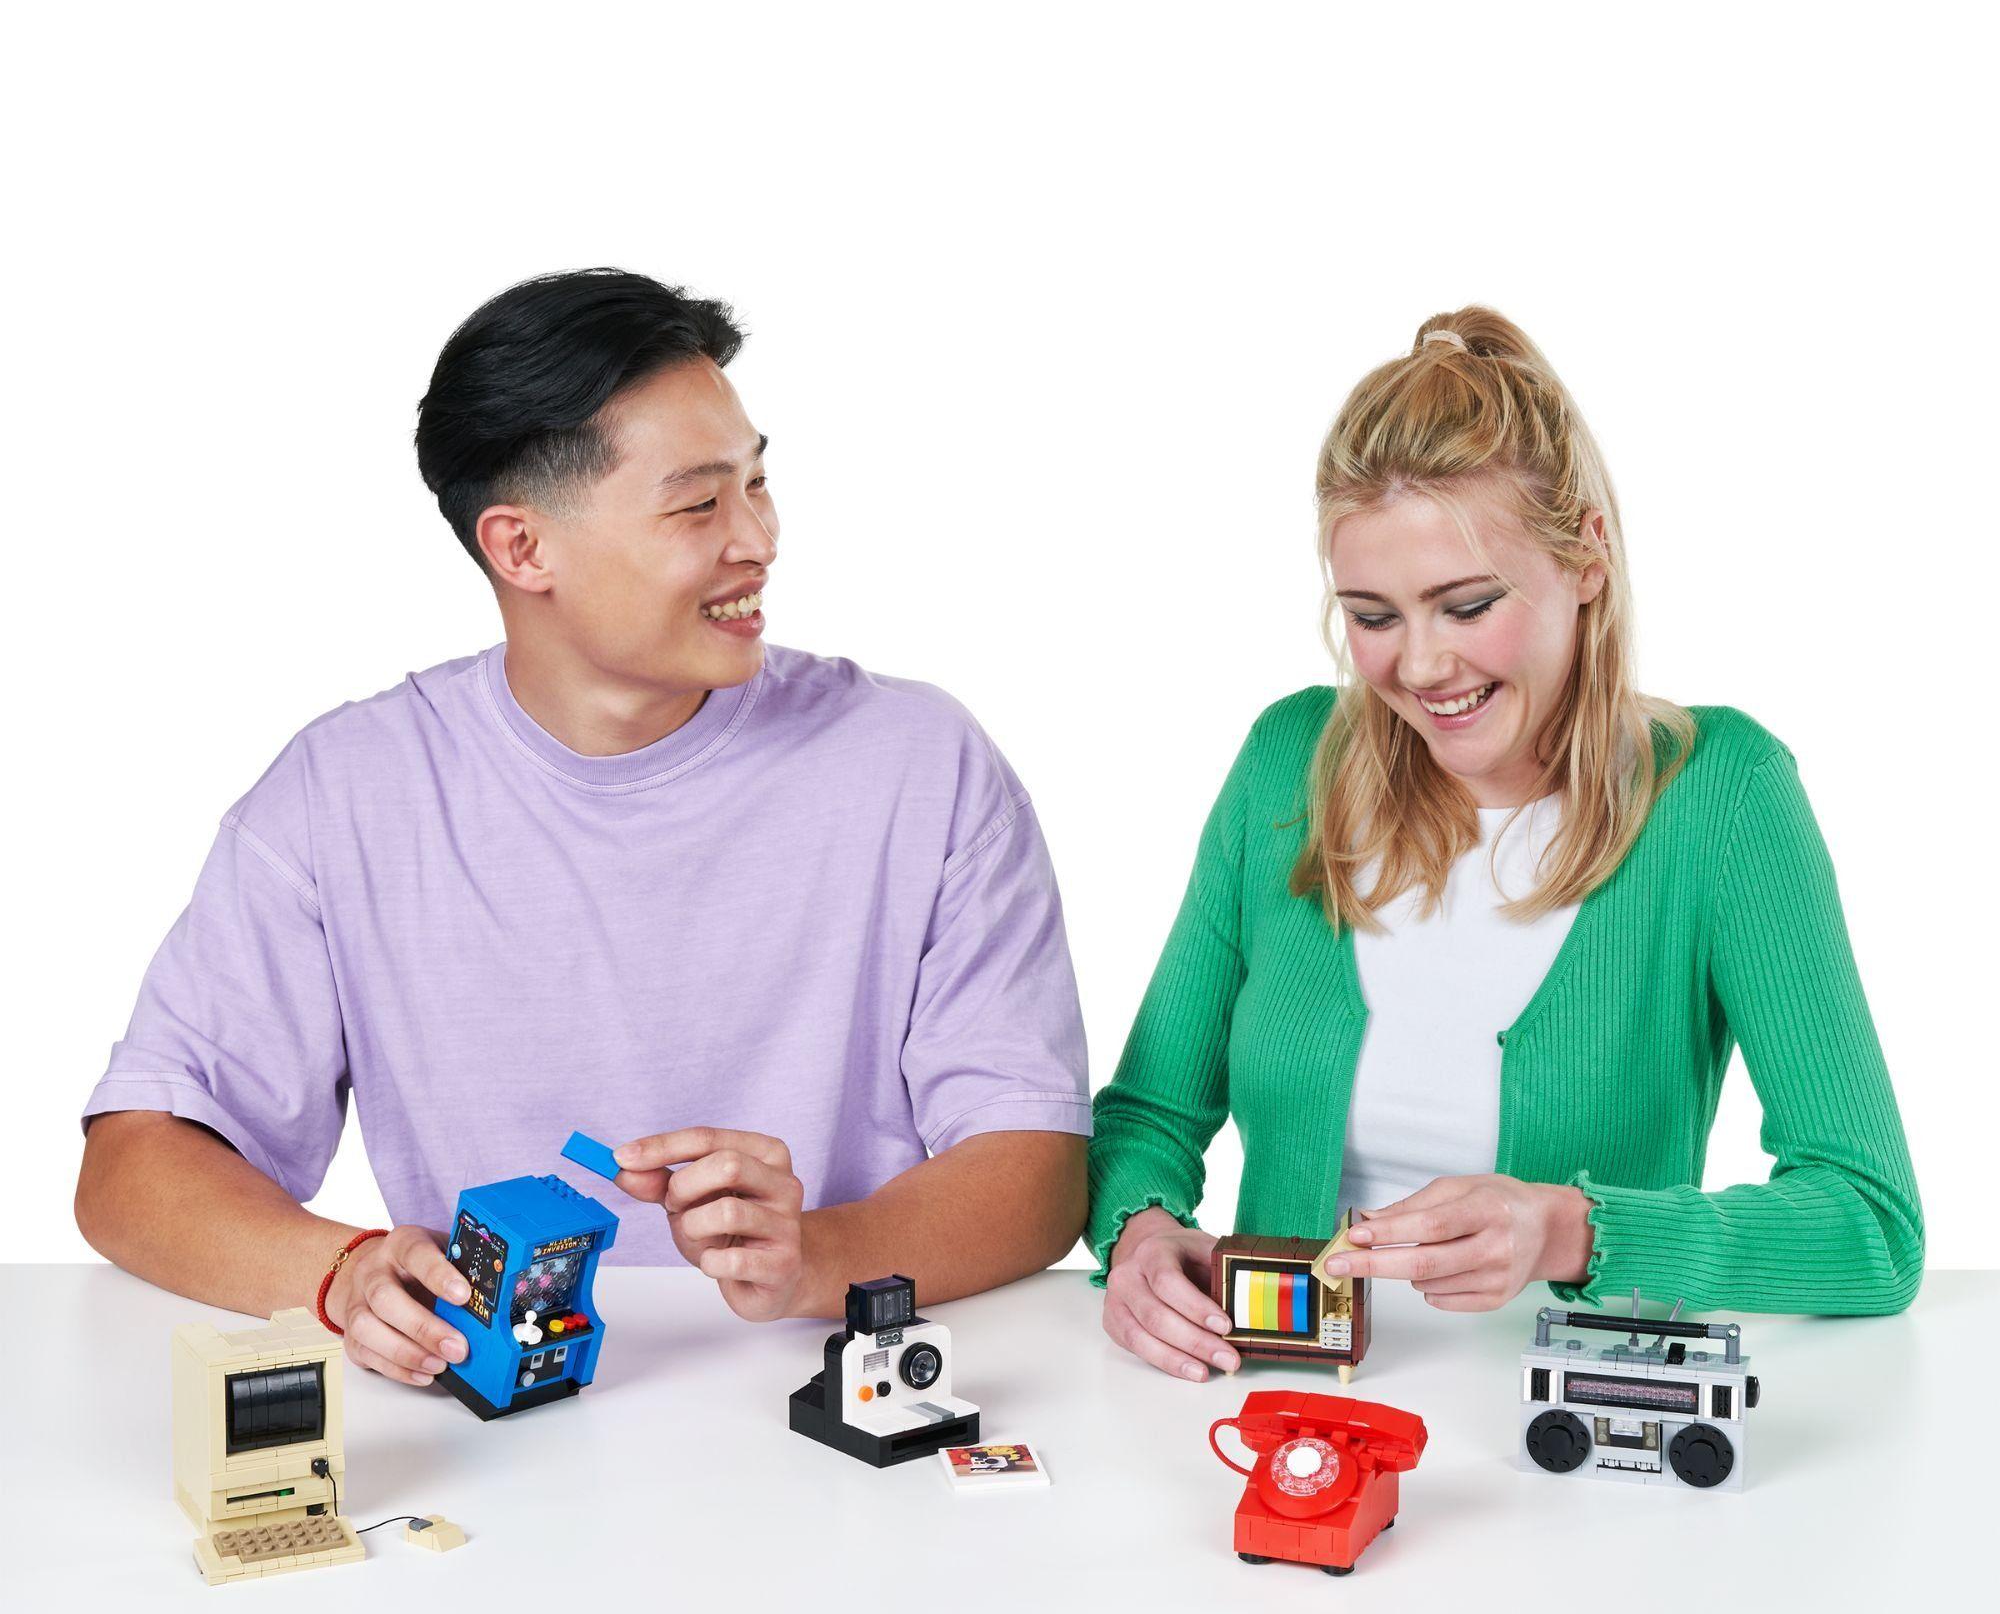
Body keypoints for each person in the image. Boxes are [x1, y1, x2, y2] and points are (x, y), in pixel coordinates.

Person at [76, 269, 1090, 1386]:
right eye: (698, 505)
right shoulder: (342, 796)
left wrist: (820, 1255)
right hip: (493, 1421)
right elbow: (134, 1165)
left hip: (831, 1390)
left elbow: (1037, 1165)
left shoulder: (920, 762)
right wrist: (345, 1271)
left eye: (757, 483)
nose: (758, 539)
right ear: (521, 549)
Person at [1091, 307, 1921, 1382]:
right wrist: (1140, 1232)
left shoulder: (1721, 795)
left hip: (1562, 1432)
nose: (1420, 666)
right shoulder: (1286, 763)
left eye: (1467, 604)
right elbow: (1147, 1120)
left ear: (1587, 556)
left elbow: (1869, 1222)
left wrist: (1569, 1230)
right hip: (1282, 1408)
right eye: (1372, 616)